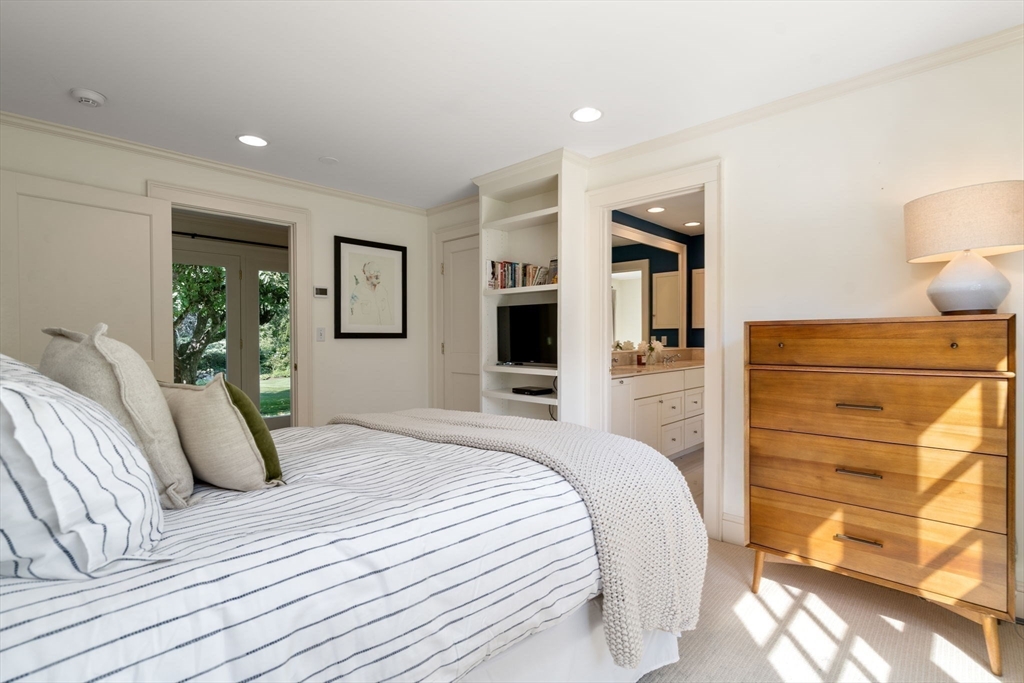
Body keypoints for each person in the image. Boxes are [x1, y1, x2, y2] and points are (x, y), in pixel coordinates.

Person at [349, 260, 393, 325]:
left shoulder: (382, 290)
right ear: (365, 273)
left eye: (378, 271)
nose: (377, 274)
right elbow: (353, 318)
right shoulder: (357, 292)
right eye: (372, 271)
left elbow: (388, 315)